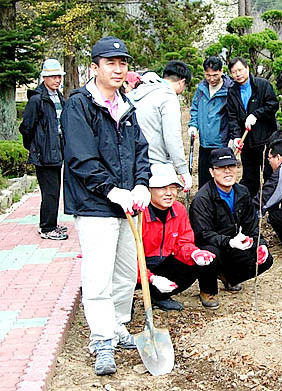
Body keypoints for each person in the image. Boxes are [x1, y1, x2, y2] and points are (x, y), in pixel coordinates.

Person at [61, 36, 151, 376]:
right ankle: (101, 339)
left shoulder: (126, 105)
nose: (117, 69)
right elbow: (81, 158)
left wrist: (142, 183)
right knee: (98, 277)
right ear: (95, 66)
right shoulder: (79, 105)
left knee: (126, 273)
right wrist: (112, 190)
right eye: (110, 63)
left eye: (122, 63)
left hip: (129, 206)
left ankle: (117, 326)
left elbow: (141, 149)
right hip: (95, 204)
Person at [189, 148, 273, 308]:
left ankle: (230, 277)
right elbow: (202, 235)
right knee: (209, 254)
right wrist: (229, 242)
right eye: (221, 168)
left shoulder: (242, 192)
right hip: (214, 245)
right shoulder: (202, 199)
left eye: (231, 166)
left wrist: (260, 244)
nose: (227, 171)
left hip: (236, 245)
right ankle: (208, 290)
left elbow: (252, 225)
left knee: (266, 259)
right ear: (211, 172)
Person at [139, 163, 217, 311]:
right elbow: (128, 259)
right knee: (124, 277)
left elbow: (184, 242)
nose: (169, 193)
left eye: (173, 188)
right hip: (138, 266)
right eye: (162, 188)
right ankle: (125, 300)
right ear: (149, 190)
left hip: (164, 262)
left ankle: (158, 296)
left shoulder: (178, 209)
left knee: (194, 264)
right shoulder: (139, 214)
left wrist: (194, 253)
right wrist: (152, 278)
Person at [19, 59, 68, 240]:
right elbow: (26, 127)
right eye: (53, 77)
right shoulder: (37, 99)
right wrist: (34, 147)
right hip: (44, 153)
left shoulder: (58, 97)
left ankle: (51, 223)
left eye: (58, 76)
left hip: (56, 151)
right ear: (44, 78)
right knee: (50, 192)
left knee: (54, 191)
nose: (57, 80)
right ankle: (47, 228)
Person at [128, 61, 193, 192]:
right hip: (155, 164)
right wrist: (182, 170)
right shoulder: (168, 97)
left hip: (131, 161)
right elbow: (172, 137)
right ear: (182, 82)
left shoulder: (134, 94)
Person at [227, 57, 279, 196]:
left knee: (269, 173)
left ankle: (270, 207)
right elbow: (232, 117)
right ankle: (250, 208)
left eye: (240, 70)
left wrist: (256, 114)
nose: (237, 74)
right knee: (250, 176)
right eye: (233, 72)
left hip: (267, 137)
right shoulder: (232, 91)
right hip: (248, 141)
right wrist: (237, 136)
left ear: (247, 68)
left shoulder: (262, 85)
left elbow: (273, 105)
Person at [188, 56, 234, 187]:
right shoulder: (201, 88)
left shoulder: (229, 89)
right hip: (204, 142)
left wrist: (232, 136)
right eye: (208, 75)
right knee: (204, 179)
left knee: (220, 179)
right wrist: (193, 125)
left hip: (221, 143)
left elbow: (233, 115)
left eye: (215, 75)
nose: (212, 79)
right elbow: (195, 108)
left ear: (221, 71)